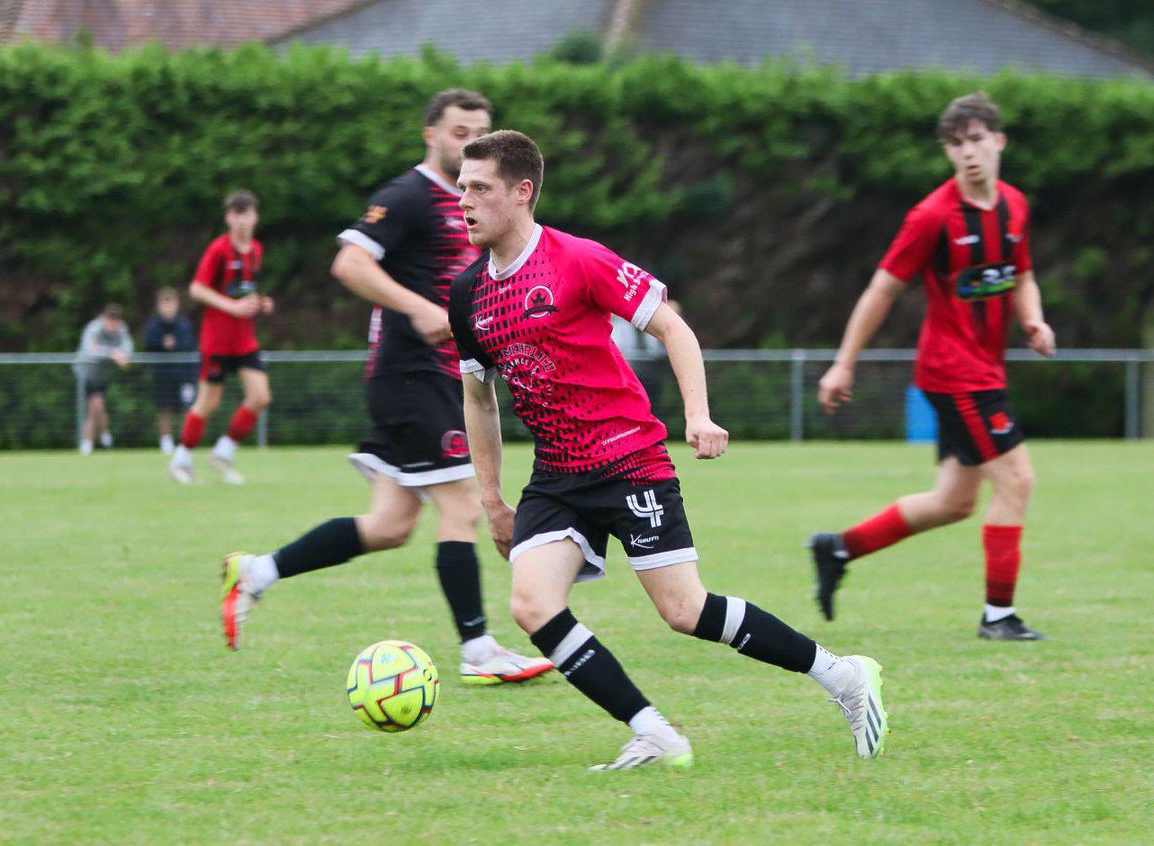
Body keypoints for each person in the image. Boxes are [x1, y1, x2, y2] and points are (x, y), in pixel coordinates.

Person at [449, 130, 887, 770]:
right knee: (531, 604)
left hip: (628, 459)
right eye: (461, 187)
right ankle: (654, 733)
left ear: (522, 193)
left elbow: (671, 326)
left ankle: (843, 676)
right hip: (556, 475)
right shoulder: (467, 295)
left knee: (684, 611)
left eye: (479, 189)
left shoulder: (577, 259)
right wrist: (490, 499)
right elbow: (478, 399)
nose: (465, 201)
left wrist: (699, 414)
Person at [219, 90, 553, 685]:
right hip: (410, 375)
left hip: (434, 376)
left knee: (389, 525)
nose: (469, 143)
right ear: (430, 134)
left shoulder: (468, 203)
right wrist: (419, 309)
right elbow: (349, 263)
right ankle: (478, 650)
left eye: (479, 132)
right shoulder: (408, 196)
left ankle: (258, 573)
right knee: (463, 506)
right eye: (458, 131)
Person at [811, 93, 1056, 641]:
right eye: (955, 144)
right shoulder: (932, 216)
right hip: (956, 375)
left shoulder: (1014, 205)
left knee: (953, 502)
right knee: (1018, 481)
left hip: (986, 372)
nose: (967, 153)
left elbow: (1023, 273)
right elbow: (882, 289)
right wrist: (842, 365)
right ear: (947, 151)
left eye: (976, 140)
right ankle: (999, 618)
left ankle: (837, 548)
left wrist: (1033, 321)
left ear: (999, 141)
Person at [169, 189, 273, 484]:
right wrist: (233, 307)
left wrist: (260, 303)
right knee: (208, 403)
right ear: (228, 218)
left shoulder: (255, 250)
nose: (241, 221)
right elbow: (197, 289)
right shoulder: (219, 250)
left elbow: (243, 290)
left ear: (255, 216)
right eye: (236, 215)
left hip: (245, 340)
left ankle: (222, 453)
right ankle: (181, 460)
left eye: (246, 214)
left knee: (260, 397)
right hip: (217, 341)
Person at [143, 287, 197, 455]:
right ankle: (166, 441)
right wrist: (162, 344)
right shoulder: (153, 326)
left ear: (176, 304)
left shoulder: (184, 325)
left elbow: (191, 346)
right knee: (164, 407)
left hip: (184, 373)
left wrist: (176, 345)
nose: (167, 307)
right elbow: (148, 346)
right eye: (164, 303)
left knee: (187, 407)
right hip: (163, 374)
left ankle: (185, 441)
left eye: (170, 302)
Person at [74, 303, 133, 455]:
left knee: (98, 407)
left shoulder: (121, 329)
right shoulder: (93, 328)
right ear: (103, 318)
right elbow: (90, 351)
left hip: (103, 375)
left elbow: (127, 349)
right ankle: (97, 439)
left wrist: (123, 355)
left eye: (115, 320)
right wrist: (112, 352)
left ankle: (98, 439)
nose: (112, 323)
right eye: (109, 319)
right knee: (96, 405)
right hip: (86, 373)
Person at [610, 298, 680, 418]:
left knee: (654, 406)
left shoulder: (653, 323)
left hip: (652, 373)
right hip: (629, 374)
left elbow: (658, 348)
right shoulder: (621, 325)